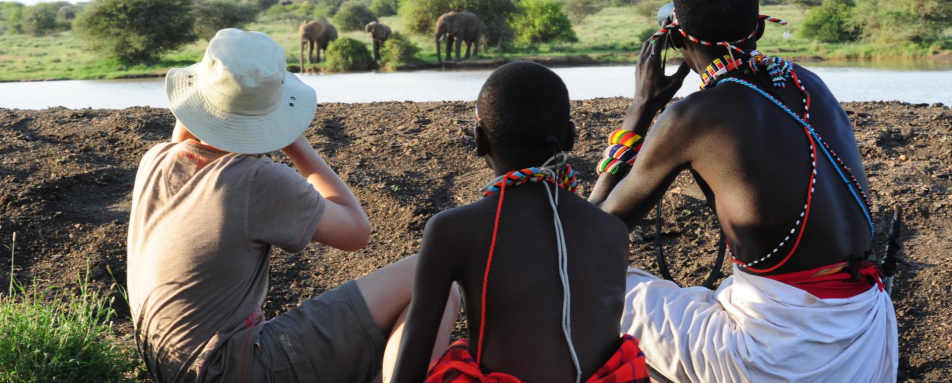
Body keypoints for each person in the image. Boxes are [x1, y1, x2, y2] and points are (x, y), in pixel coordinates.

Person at [587, 1, 898, 382]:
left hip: (779, 357)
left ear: (676, 38)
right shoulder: (807, 83)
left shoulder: (693, 116)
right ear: (760, 31)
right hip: (868, 330)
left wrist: (642, 105)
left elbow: (590, 232)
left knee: (591, 282)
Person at [127, 28, 457, 383]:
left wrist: (202, 105)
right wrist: (295, 142)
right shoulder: (254, 179)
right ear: (272, 112)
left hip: (172, 365)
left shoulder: (156, 160)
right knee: (434, 278)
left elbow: (187, 140)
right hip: (228, 368)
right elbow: (356, 231)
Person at [390, 62, 650, 383]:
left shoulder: (452, 229)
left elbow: (414, 356)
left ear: (479, 139)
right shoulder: (611, 231)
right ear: (570, 137)